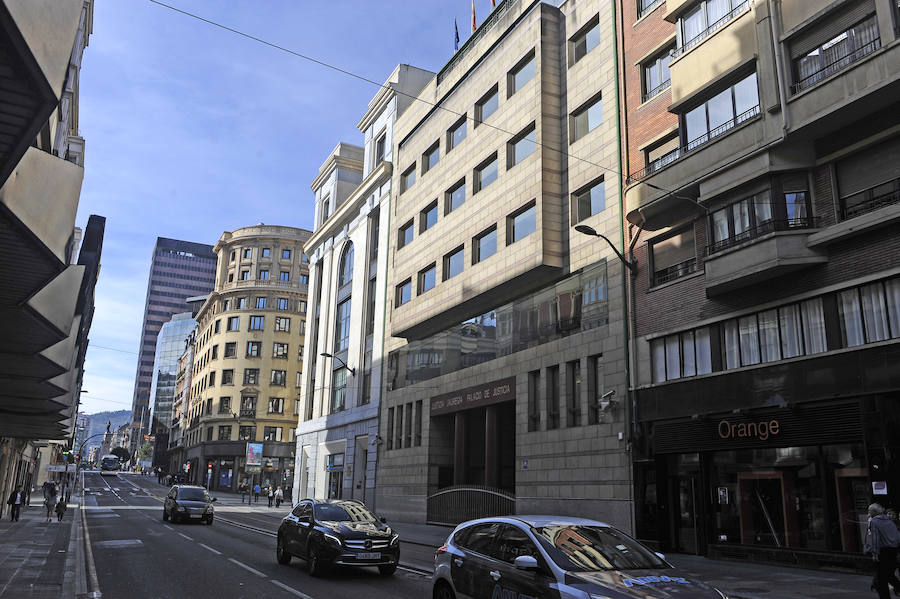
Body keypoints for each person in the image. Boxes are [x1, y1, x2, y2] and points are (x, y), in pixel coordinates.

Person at [866, 503, 900, 599]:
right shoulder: (890, 521)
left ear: (874, 512)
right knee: (888, 574)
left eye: (869, 511)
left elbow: (875, 539)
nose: (868, 513)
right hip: (893, 550)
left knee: (882, 579)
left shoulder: (874, 521)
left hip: (883, 551)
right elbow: (897, 537)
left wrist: (875, 553)